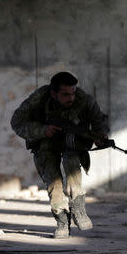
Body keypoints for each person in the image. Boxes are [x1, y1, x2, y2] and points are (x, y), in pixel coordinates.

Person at [11, 72, 109, 238]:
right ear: (53, 93)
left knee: (72, 164)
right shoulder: (39, 99)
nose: (71, 98)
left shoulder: (83, 99)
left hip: (72, 142)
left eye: (73, 93)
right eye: (65, 94)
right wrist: (42, 130)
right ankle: (62, 221)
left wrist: (100, 136)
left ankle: (78, 208)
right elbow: (17, 121)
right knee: (53, 180)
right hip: (46, 142)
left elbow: (99, 120)